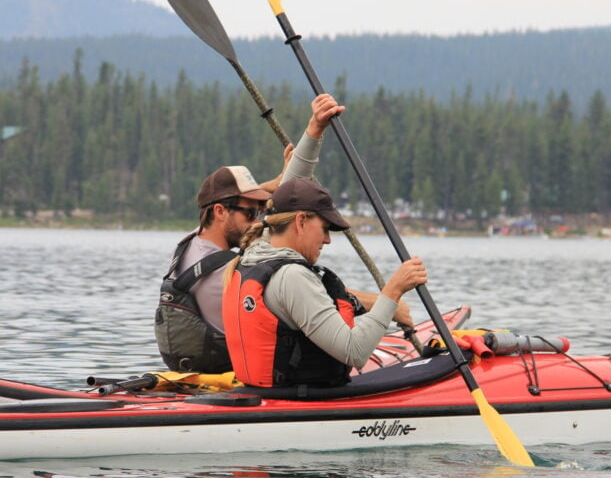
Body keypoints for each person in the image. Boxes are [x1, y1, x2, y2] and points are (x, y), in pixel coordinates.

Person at [155, 94, 345, 374]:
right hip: (232, 374)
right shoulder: (230, 272)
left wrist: (313, 132)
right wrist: (382, 304)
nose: (258, 220)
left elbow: (272, 196)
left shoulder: (191, 242)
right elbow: (301, 297)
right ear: (220, 211)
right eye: (250, 213)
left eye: (260, 209)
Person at [222, 178, 428, 388]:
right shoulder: (293, 277)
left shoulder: (253, 252)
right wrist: (393, 291)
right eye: (325, 228)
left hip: (262, 393)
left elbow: (284, 203)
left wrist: (312, 145)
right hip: (295, 402)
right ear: (301, 221)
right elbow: (354, 352)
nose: (328, 239)